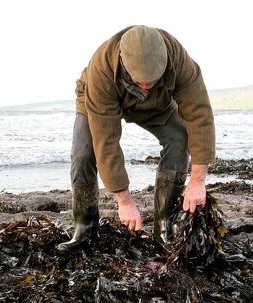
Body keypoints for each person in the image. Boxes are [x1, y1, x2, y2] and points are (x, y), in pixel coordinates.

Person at [57, 25, 215, 253]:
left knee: (179, 138)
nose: (145, 86)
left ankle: (164, 229)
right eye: (139, 80)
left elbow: (200, 116)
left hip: (157, 104)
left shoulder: (180, 60)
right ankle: (85, 228)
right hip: (99, 98)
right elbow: (107, 142)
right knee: (84, 152)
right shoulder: (101, 69)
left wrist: (197, 181)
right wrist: (124, 201)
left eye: (150, 80)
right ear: (122, 60)